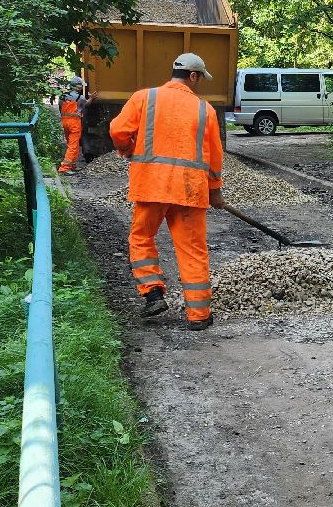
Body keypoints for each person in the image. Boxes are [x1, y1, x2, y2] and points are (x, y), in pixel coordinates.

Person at [109, 53, 224, 330]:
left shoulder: (143, 98)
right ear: (193, 76)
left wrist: (126, 149)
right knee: (193, 250)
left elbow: (117, 130)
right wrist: (215, 190)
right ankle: (198, 316)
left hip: (151, 186)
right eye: (200, 79)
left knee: (141, 238)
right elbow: (215, 155)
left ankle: (152, 292)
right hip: (190, 191)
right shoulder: (204, 109)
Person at [56, 75, 89, 174]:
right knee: (73, 145)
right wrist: (92, 98)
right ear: (77, 86)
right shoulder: (81, 98)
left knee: (71, 144)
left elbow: (60, 108)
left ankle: (72, 165)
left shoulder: (62, 96)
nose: (82, 87)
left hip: (65, 121)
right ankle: (65, 168)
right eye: (81, 85)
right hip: (74, 123)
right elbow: (86, 105)